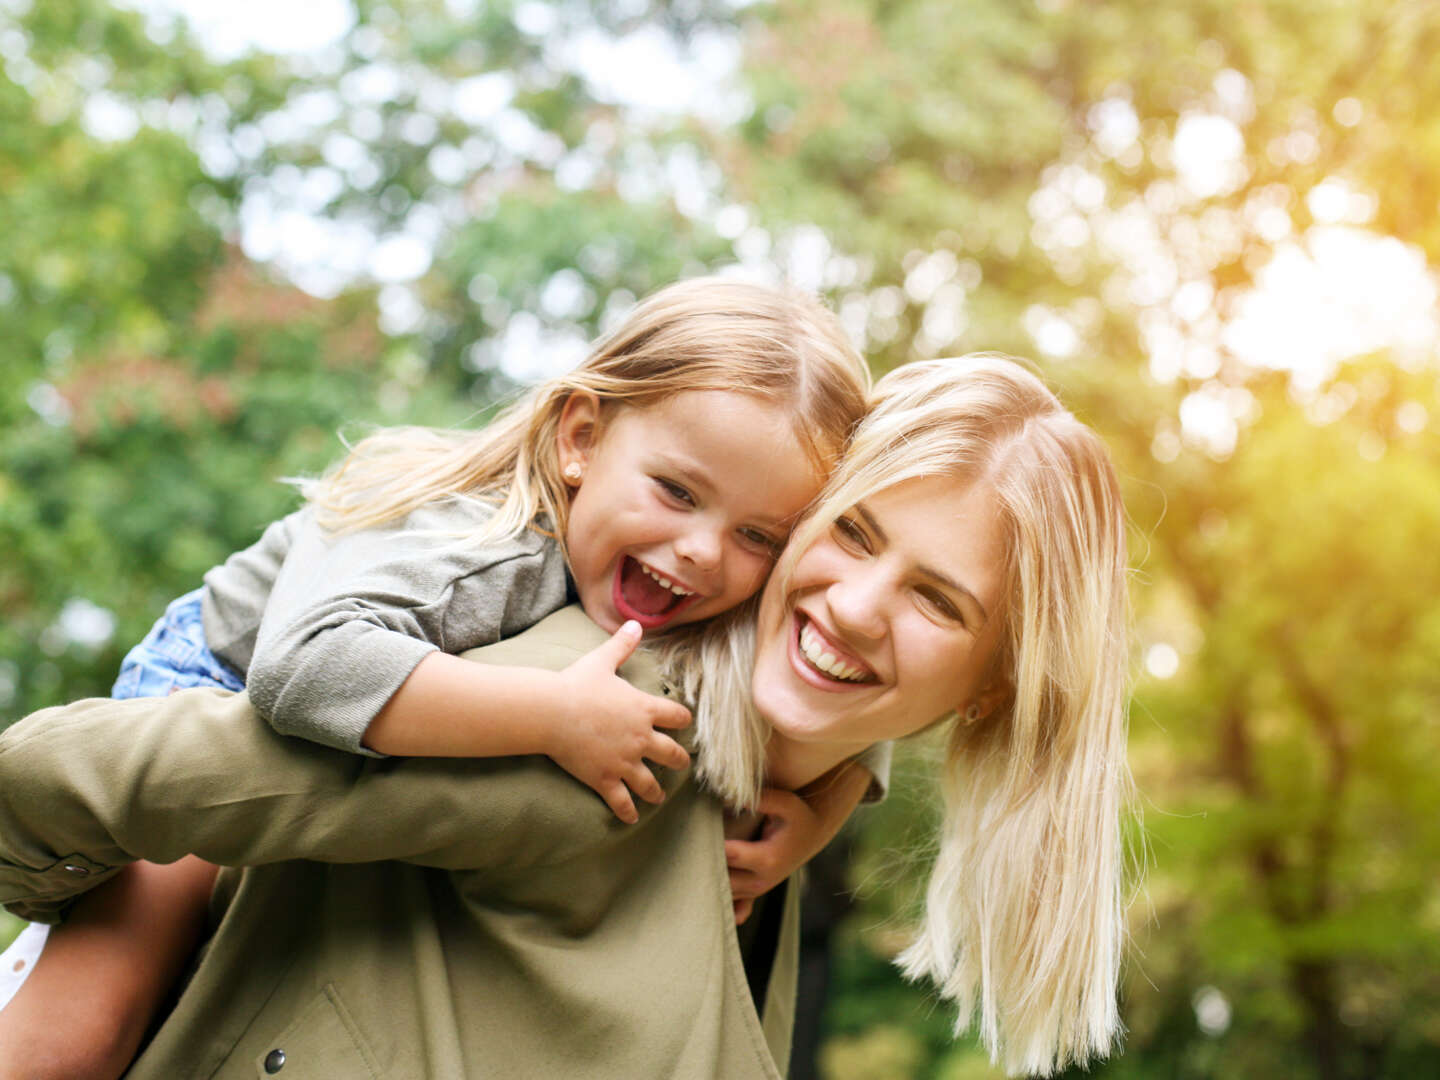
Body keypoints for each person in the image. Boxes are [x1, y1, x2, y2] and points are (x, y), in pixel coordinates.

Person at [0, 355, 1132, 1078]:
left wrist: (836, 796)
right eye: (854, 535)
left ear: (993, 684)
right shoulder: (601, 724)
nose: (858, 606)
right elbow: (101, 769)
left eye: (938, 601)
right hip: (244, 656)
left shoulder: (771, 809)